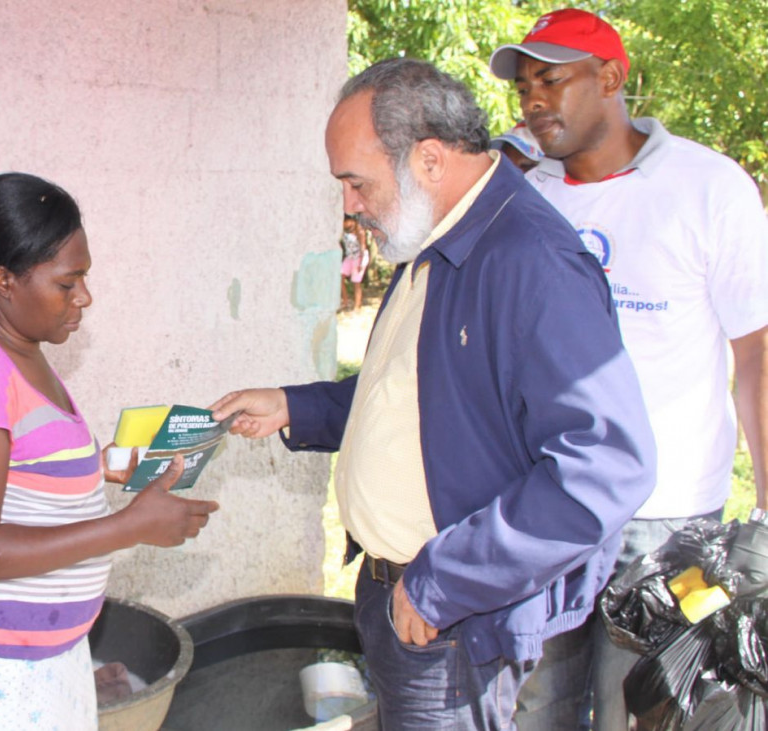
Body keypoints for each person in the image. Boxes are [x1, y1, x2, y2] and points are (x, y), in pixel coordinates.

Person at [209, 58, 656, 729]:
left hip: (449, 619)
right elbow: (417, 392)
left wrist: (445, 578)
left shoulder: (529, 262)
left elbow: (606, 465)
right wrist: (294, 405)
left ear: (428, 159)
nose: (348, 206)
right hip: (403, 597)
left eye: (355, 183)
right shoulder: (434, 239)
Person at [489, 8, 768, 730]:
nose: (535, 101)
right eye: (524, 89)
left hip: (665, 520)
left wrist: (767, 515)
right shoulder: (526, 197)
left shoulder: (710, 188)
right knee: (534, 706)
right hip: (545, 506)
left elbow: (756, 355)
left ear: (612, 78)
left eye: (552, 80)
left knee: (641, 713)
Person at [0, 172, 220, 729]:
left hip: (36, 651)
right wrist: (129, 526)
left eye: (85, 278)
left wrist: (118, 468)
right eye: (67, 283)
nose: (85, 297)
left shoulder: (19, 346)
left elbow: (23, 468)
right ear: (5, 280)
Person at [339, 215, 370, 310]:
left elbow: (363, 247)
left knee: (356, 282)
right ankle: (345, 301)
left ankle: (357, 305)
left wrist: (362, 263)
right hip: (349, 257)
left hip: (358, 258)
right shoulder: (344, 231)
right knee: (339, 278)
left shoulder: (359, 231)